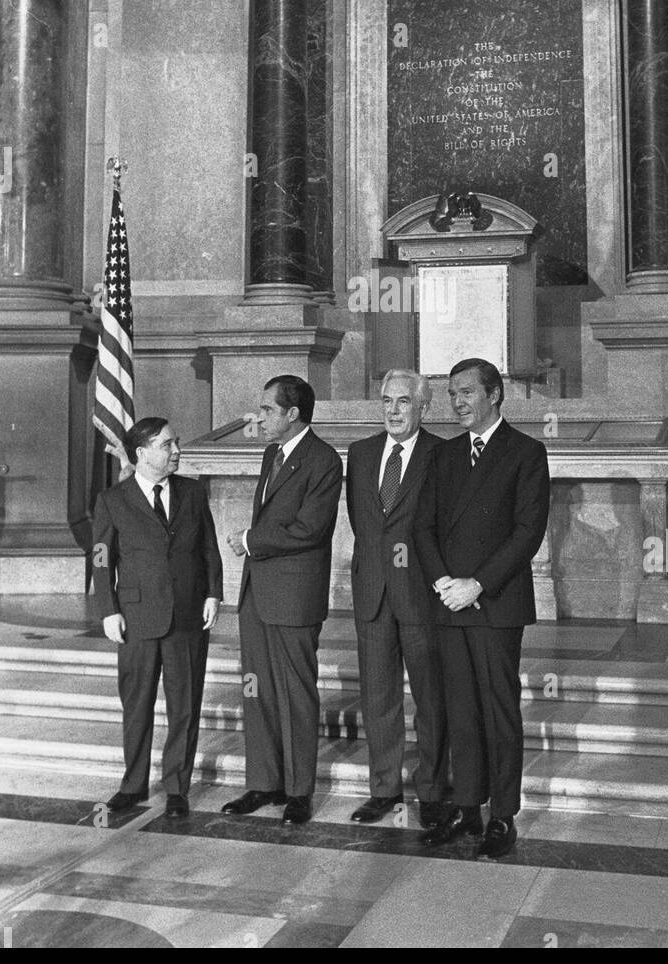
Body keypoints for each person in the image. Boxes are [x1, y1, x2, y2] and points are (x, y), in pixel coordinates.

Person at [413, 358, 550, 857]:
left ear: (495, 395)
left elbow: (526, 532)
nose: (458, 402)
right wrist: (444, 581)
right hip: (450, 601)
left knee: (498, 710)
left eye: (467, 392)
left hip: (495, 603)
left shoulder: (526, 453)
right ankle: (467, 807)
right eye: (452, 394)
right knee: (460, 710)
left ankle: (502, 814)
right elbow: (422, 527)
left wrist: (477, 584)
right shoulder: (443, 456)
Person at [222, 375, 342, 825]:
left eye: (268, 409)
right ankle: (263, 782)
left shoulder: (324, 460)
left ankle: (298, 791)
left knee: (294, 692)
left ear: (293, 414)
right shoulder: (272, 453)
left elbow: (311, 529)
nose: (261, 417)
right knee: (257, 689)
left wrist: (252, 539)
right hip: (258, 592)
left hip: (294, 596)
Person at [93, 417, 222, 819]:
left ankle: (177, 787)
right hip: (135, 617)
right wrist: (108, 611)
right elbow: (101, 559)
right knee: (137, 705)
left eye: (176, 442)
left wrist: (214, 594)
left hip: (187, 615)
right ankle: (132, 786)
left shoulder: (194, 492)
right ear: (141, 454)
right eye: (167, 445)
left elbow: (209, 548)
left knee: (185, 705)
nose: (176, 451)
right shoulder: (114, 500)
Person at [346, 369, 448, 828]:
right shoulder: (362, 453)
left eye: (403, 402)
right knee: (378, 697)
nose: (393, 410)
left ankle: (432, 790)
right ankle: (384, 789)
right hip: (372, 594)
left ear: (424, 407)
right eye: (387, 401)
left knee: (430, 697)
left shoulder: (442, 455)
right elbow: (362, 523)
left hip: (421, 597)